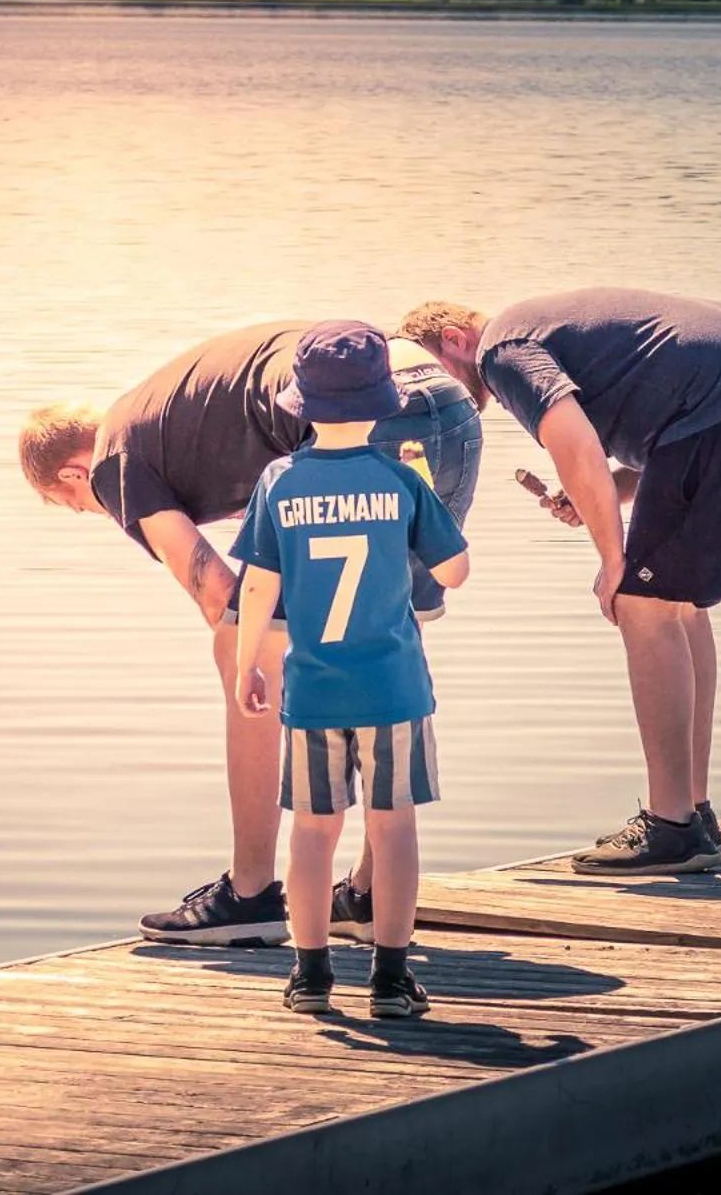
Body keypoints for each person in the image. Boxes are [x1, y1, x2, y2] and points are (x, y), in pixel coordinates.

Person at [18, 321, 480, 945]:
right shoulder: (167, 416)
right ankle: (371, 897)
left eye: (79, 508)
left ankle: (252, 892)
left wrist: (268, 661)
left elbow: (216, 590)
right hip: (443, 402)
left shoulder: (113, 460)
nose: (100, 510)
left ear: (73, 477)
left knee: (240, 645)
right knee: (389, 627)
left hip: (367, 410)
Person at [398, 289, 721, 876]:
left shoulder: (502, 349)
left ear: (454, 340)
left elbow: (575, 445)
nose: (438, 393)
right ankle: (693, 812)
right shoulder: (545, 330)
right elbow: (653, 433)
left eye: (433, 372)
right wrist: (605, 494)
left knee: (643, 603)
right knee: (680, 606)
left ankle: (671, 828)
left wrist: (613, 559)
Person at [229, 321, 470, 1016]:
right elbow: (455, 569)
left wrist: (249, 664)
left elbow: (256, 587)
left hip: (311, 692)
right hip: (393, 689)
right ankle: (391, 979)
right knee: (391, 825)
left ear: (302, 404)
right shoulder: (400, 479)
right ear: (380, 403)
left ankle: (310, 976)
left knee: (312, 829)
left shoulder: (278, 481)